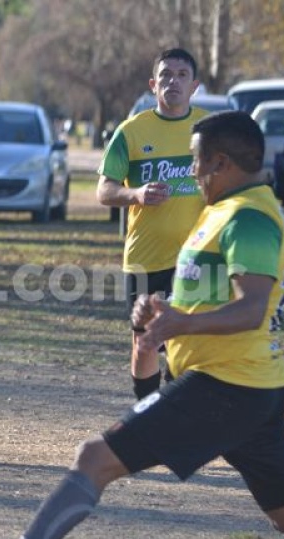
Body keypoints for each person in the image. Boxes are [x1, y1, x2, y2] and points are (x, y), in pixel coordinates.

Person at [0, 111, 284, 539]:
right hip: (249, 388)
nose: (192, 173)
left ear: (220, 163)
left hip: (227, 388)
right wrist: (162, 309)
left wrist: (180, 323)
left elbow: (251, 308)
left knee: (95, 457)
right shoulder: (224, 210)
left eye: (196, 162)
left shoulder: (249, 218)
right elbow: (212, 294)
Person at [96, 48, 208, 401]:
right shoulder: (131, 131)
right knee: (145, 341)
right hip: (145, 257)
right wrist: (137, 194)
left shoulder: (209, 131)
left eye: (181, 75)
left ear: (194, 86)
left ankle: (176, 415)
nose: (172, 81)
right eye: (165, 75)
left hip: (199, 258)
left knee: (186, 341)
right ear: (152, 84)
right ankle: (146, 412)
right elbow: (104, 190)